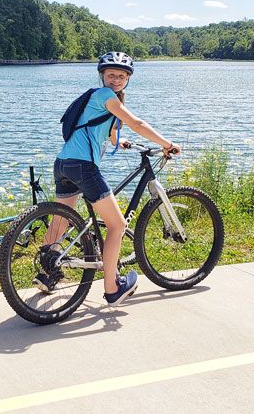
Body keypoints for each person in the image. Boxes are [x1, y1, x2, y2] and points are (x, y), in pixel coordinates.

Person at [38, 51, 181, 305]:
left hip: (63, 164)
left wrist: (120, 141)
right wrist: (167, 143)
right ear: (102, 76)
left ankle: (47, 272)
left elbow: (106, 132)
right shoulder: (106, 96)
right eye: (111, 75)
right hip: (83, 166)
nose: (116, 79)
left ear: (128, 79)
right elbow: (137, 123)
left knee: (60, 221)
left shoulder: (97, 98)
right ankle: (113, 288)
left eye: (122, 76)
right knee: (117, 225)